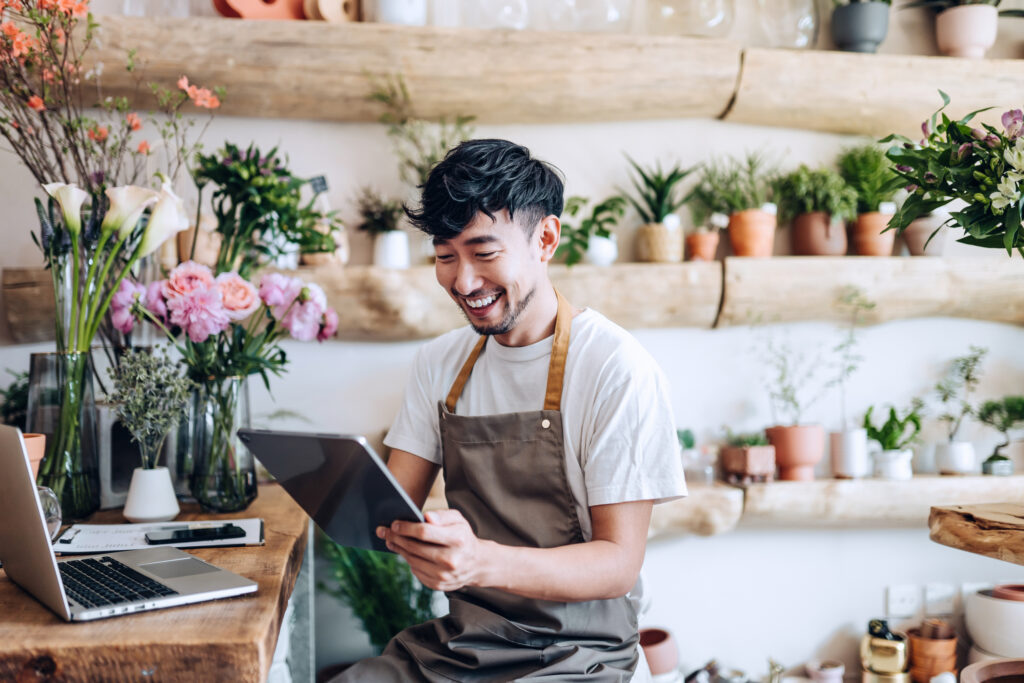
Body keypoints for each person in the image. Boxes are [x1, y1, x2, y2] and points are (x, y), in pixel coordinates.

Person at [334, 138, 687, 682]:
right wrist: (384, 521)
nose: (463, 281)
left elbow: (619, 563)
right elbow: (389, 508)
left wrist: (480, 560)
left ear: (545, 239)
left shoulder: (616, 368)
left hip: (581, 654)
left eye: (484, 253)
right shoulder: (440, 364)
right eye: (445, 256)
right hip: (465, 645)